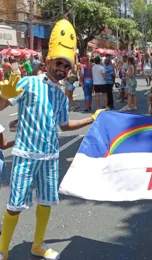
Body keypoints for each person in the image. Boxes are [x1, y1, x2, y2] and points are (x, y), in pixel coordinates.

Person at [0, 19, 104, 260]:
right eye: (59, 63)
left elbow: (64, 125)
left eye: (67, 66)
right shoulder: (28, 83)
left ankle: (37, 245)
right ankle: (3, 251)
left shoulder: (60, 95)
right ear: (47, 62)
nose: (63, 69)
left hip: (49, 157)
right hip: (25, 155)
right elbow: (3, 106)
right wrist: (3, 97)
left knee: (46, 202)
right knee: (14, 206)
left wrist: (92, 119)